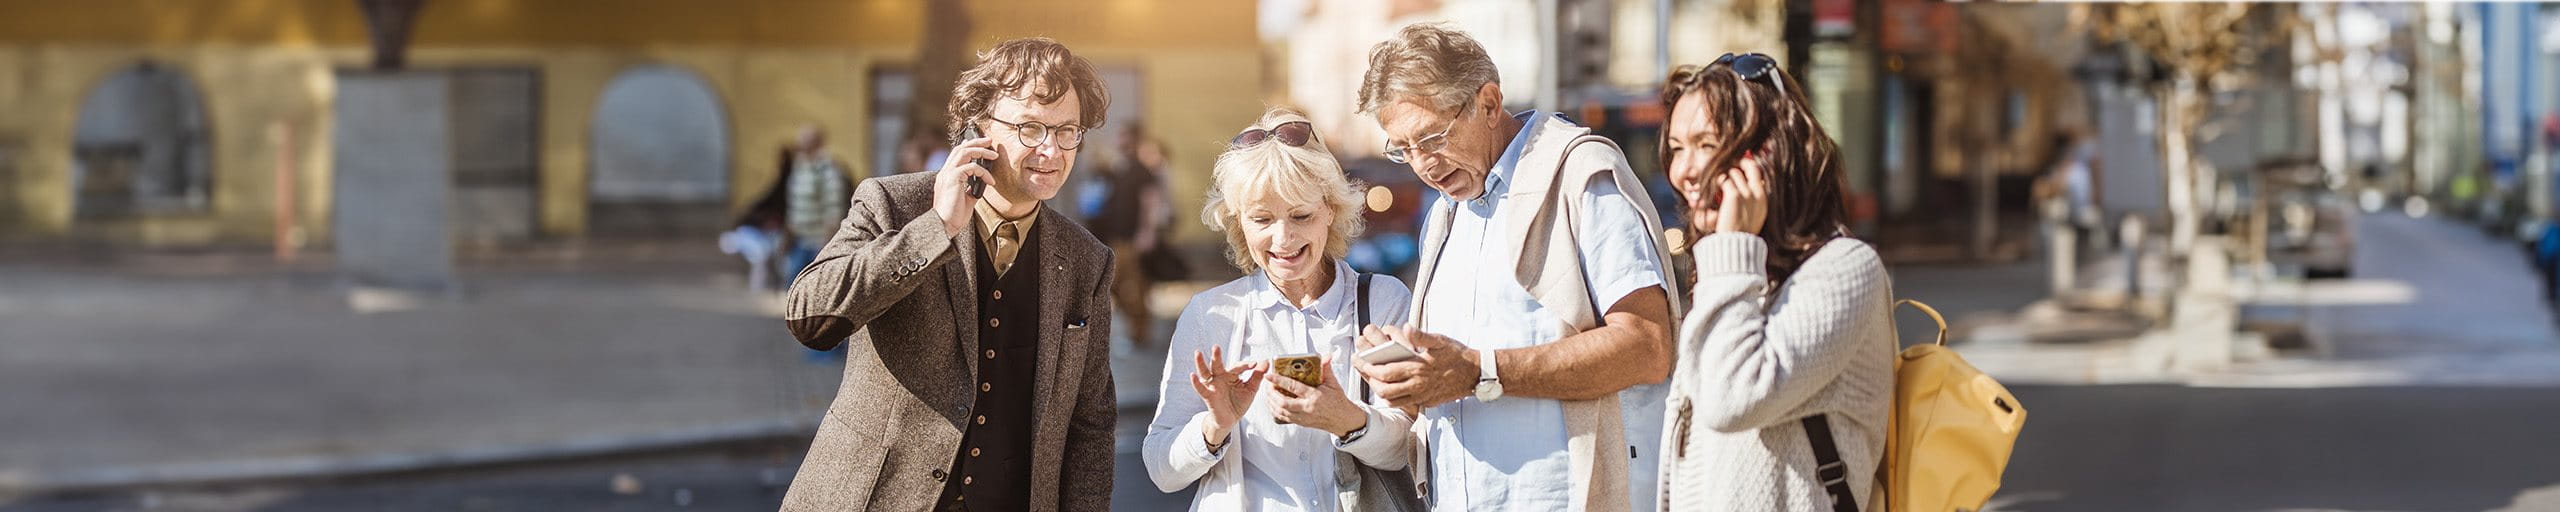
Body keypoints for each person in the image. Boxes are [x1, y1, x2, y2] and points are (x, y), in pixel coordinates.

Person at [1349, 23, 1681, 512]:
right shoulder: (1446, 212)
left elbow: (1647, 346)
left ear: (1487, 102)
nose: (1422, 164)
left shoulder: (1579, 175)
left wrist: (1479, 372)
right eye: (1403, 148)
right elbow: (1458, 365)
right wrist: (1410, 373)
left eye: (1432, 137)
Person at [778, 37, 1116, 511]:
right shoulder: (893, 203)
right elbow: (809, 319)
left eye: (1067, 131)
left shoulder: (1087, 259)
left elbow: (1091, 422)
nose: (1052, 149)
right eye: (1031, 128)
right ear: (980, 127)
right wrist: (937, 228)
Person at [1143, 108, 1417, 511]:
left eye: (1301, 215)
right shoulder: (1210, 314)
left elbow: (1409, 449)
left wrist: (1346, 419)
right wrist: (1215, 425)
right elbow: (1161, 470)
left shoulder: (1383, 301)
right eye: (1262, 219)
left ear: (1330, 210)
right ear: (1240, 223)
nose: (1283, 238)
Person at [1653, 54, 1894, 512]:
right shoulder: (1739, 275)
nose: (1683, 171)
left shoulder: (1845, 269)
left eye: (1706, 144)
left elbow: (1730, 400)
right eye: (1677, 147)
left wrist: (1734, 243)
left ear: (1769, 152)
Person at [1088, 122, 1175, 348]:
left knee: (1126, 286)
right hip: (1115, 238)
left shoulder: (1142, 170)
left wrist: (1147, 233)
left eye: (1124, 137)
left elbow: (1151, 202)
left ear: (1135, 141)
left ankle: (1140, 333)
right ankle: (1138, 331)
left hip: (1131, 240)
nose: (1120, 142)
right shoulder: (1121, 168)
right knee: (1119, 287)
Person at [783, 124, 851, 280]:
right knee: (793, 286)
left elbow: (833, 207)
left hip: (818, 240)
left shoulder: (828, 170)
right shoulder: (799, 167)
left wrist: (827, 242)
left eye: (807, 140)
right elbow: (794, 205)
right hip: (799, 239)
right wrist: (788, 235)